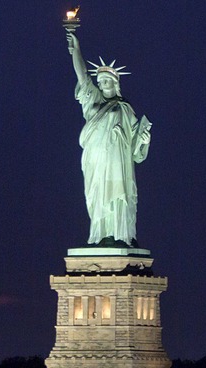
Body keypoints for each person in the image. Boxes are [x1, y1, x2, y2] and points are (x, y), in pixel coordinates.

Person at [67, 31, 151, 246]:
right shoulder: (92, 100)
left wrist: (144, 139)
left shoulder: (125, 108)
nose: (103, 82)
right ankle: (100, 233)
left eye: (107, 80)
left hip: (118, 160)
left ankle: (120, 235)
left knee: (118, 193)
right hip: (96, 158)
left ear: (115, 83)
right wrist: (76, 49)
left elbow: (136, 150)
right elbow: (82, 76)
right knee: (98, 194)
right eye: (101, 80)